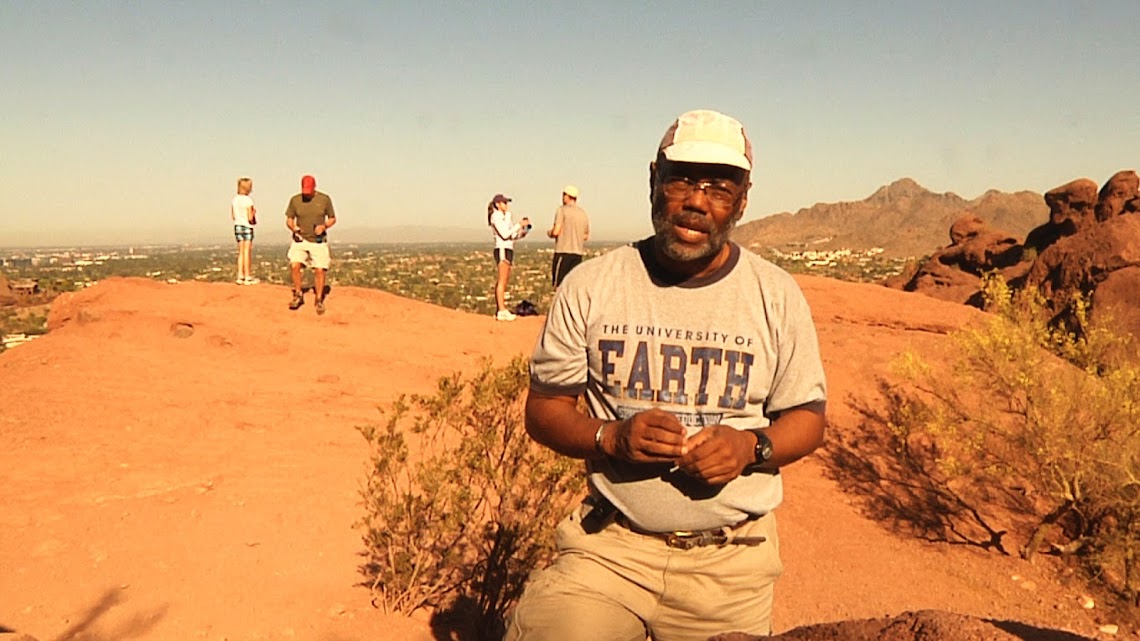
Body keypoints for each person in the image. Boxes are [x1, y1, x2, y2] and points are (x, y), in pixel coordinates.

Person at [506, 109, 827, 641]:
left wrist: (751, 448)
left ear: (742, 200)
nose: (697, 200)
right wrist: (611, 437)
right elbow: (544, 411)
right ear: (654, 179)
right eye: (682, 178)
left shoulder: (775, 295)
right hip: (609, 550)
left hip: (730, 566)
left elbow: (809, 420)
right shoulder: (591, 286)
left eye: (719, 187)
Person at [285, 175, 336, 315]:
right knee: (295, 265)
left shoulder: (324, 199)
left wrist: (324, 226)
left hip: (318, 240)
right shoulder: (295, 200)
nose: (306, 193)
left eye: (309, 190)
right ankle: (298, 294)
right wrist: (293, 228)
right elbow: (289, 219)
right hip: (300, 239)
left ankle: (319, 299)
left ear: (314, 187)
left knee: (320, 269)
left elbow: (332, 218)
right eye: (304, 190)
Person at [488, 193, 530, 321]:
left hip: (509, 248)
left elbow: (511, 235)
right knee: (501, 279)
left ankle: (502, 308)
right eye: (504, 203)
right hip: (501, 248)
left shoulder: (507, 216)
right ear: (497, 204)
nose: (506, 205)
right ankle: (501, 310)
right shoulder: (495, 217)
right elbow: (504, 234)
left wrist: (522, 232)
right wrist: (519, 224)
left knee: (505, 280)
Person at [546, 184, 590, 289]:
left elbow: (556, 231)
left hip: (563, 252)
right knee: (572, 287)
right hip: (577, 254)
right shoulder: (583, 213)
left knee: (559, 287)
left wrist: (550, 233)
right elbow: (585, 235)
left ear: (567, 196)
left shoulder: (562, 210)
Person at [231, 176, 259, 285]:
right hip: (247, 226)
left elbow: (233, 216)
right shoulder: (248, 200)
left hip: (237, 225)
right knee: (247, 251)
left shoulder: (235, 200)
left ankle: (240, 276)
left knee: (241, 252)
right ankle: (248, 276)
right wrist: (254, 212)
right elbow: (250, 218)